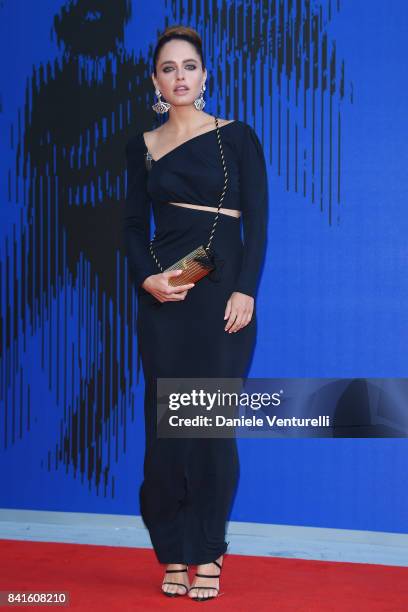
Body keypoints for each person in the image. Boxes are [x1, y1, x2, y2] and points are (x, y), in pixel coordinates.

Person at [122, 25, 268, 602]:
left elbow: (256, 221)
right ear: (155, 80)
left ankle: (208, 551)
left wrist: (246, 290)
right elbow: (134, 226)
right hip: (164, 295)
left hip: (223, 296)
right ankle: (173, 552)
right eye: (167, 68)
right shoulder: (143, 145)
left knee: (210, 432)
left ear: (205, 76)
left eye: (189, 66)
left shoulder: (237, 137)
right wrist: (149, 279)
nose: (179, 77)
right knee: (166, 437)